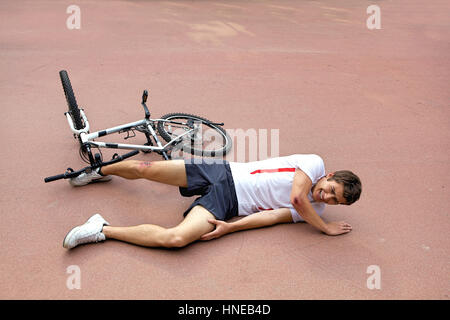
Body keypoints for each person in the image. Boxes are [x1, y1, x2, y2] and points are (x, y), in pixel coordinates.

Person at [62, 154, 362, 249]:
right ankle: (97, 171)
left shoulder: (313, 211)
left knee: (176, 238)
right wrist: (325, 228)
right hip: (222, 172)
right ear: (329, 175)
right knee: (146, 170)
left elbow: (272, 217)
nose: (326, 196)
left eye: (333, 200)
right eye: (330, 188)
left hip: (227, 204)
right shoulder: (313, 164)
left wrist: (230, 228)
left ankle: (101, 228)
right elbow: (297, 197)